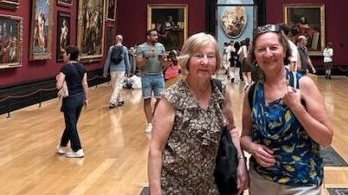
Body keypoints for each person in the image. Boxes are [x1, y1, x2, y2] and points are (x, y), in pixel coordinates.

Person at [147, 33, 248, 195]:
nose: (205, 62)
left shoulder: (220, 92)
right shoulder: (171, 98)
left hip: (212, 186)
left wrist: (241, 162)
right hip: (174, 187)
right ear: (187, 59)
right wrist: (155, 191)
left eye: (210, 56)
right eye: (198, 56)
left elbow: (232, 130)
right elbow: (156, 149)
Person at [241, 24, 333, 194]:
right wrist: (252, 148)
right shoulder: (252, 92)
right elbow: (244, 136)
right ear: (254, 55)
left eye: (273, 47)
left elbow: (326, 138)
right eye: (261, 49)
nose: (268, 54)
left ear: (284, 50)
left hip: (301, 182)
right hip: (261, 180)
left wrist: (297, 108)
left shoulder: (303, 84)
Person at [55, 45, 89, 158]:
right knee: (71, 124)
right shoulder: (82, 67)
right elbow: (84, 84)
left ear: (69, 55)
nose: (63, 55)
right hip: (80, 98)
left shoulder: (65, 68)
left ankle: (77, 149)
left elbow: (59, 86)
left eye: (64, 53)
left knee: (71, 124)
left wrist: (58, 80)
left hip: (70, 99)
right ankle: (62, 145)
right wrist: (86, 98)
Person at [137, 29, 167, 134]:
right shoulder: (141, 48)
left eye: (156, 35)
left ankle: (154, 116)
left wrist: (163, 60)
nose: (156, 37)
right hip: (146, 76)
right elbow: (139, 64)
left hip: (159, 75)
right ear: (148, 37)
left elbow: (165, 65)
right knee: (147, 100)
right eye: (154, 35)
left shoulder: (161, 47)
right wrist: (146, 56)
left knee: (160, 100)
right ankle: (150, 123)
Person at [103, 35, 130, 109]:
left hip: (112, 69)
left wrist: (105, 71)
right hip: (121, 69)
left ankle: (116, 100)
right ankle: (115, 101)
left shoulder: (111, 48)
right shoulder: (124, 48)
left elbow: (108, 59)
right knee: (117, 86)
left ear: (116, 40)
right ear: (122, 40)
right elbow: (127, 61)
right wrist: (129, 71)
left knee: (114, 85)